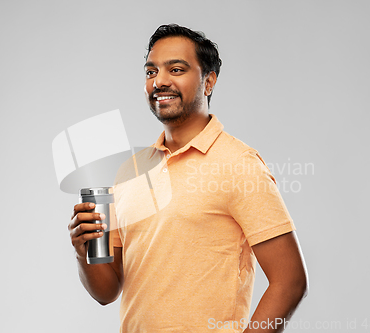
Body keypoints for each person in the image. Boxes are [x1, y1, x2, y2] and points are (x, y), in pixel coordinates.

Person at [68, 24, 308, 332]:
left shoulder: (239, 164)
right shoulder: (130, 171)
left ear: (209, 81)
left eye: (176, 69)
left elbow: (290, 281)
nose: (160, 81)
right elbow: (107, 291)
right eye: (151, 72)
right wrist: (82, 251)